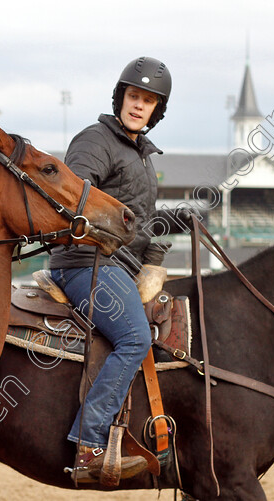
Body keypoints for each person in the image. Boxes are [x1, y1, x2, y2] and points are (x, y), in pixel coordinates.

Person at [48, 56, 174, 482]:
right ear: (121, 98)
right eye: (134, 96)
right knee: (136, 336)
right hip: (85, 263)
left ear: (157, 110)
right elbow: (71, 200)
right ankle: (90, 444)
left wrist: (155, 256)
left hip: (118, 265)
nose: (139, 106)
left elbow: (139, 219)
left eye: (149, 101)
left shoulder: (141, 155)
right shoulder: (95, 141)